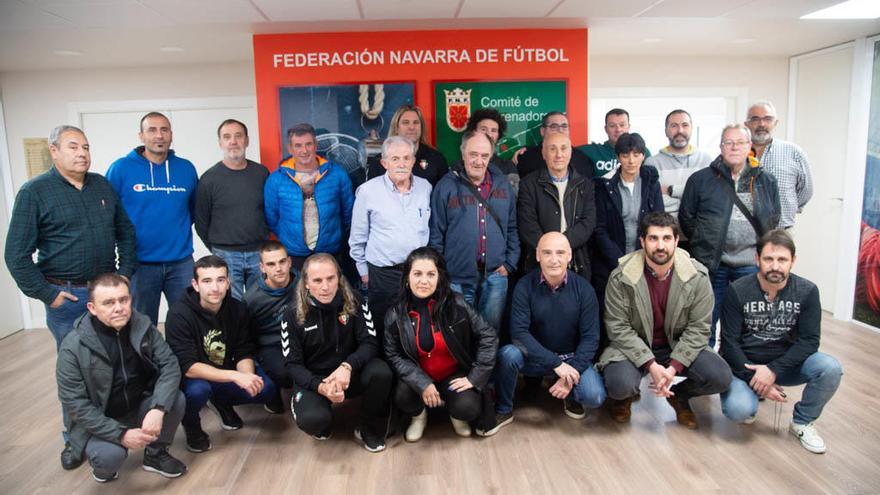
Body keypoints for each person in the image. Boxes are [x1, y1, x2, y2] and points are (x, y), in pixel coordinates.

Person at [5, 124, 136, 470]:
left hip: (108, 294)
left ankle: (117, 427)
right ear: (54, 151)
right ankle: (75, 441)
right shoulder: (35, 192)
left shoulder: (101, 185)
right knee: (76, 371)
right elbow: (16, 254)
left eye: (86, 147)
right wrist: (48, 294)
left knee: (117, 361)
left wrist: (124, 274)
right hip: (69, 298)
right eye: (73, 147)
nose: (82, 153)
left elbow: (125, 231)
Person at [599, 213, 732, 428]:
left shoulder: (698, 276)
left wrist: (672, 369)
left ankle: (679, 395)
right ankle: (625, 398)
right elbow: (617, 327)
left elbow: (699, 329)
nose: (660, 246)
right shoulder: (620, 276)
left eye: (666, 238)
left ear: (676, 241)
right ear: (642, 241)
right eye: (653, 238)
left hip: (676, 345)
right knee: (619, 384)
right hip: (635, 346)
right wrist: (651, 364)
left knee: (720, 377)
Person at [56, 274, 186, 483]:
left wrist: (158, 408)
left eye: (123, 300)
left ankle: (155, 454)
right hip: (102, 418)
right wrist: (121, 434)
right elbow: (76, 405)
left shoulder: (143, 327)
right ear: (92, 308)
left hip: (138, 404)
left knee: (176, 398)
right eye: (108, 303)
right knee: (109, 457)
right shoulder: (72, 346)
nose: (119, 307)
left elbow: (169, 366)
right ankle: (104, 469)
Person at [720, 230, 842, 454]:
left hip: (786, 366)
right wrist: (756, 379)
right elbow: (728, 345)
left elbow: (809, 342)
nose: (775, 266)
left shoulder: (807, 291)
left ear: (793, 261)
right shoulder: (737, 290)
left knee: (830, 368)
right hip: (747, 366)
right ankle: (752, 394)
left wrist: (773, 371)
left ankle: (802, 422)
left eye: (782, 260)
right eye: (768, 259)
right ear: (757, 259)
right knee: (739, 410)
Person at [165, 255, 280, 453]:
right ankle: (192, 425)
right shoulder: (179, 314)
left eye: (220, 280)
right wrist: (236, 376)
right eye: (207, 281)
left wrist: (247, 376)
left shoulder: (237, 309)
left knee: (266, 389)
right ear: (195, 284)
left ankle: (221, 402)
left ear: (228, 282)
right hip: (194, 378)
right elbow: (188, 367)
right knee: (198, 392)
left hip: (224, 372)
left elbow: (244, 349)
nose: (215, 287)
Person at [679, 124, 781, 346]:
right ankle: (707, 373)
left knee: (744, 323)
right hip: (713, 264)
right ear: (721, 147)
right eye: (729, 142)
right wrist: (703, 242)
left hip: (750, 264)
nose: (734, 147)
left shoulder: (765, 181)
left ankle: (737, 371)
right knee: (704, 322)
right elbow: (687, 218)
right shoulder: (701, 180)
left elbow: (773, 218)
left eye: (740, 142)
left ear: (749, 146)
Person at [384, 247, 499, 440]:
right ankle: (419, 417)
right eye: (417, 274)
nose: (423, 281)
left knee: (468, 407)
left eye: (431, 274)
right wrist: (422, 382)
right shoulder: (395, 314)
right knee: (402, 394)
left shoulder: (458, 304)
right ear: (407, 278)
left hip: (452, 377)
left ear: (440, 278)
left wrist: (474, 377)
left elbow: (488, 336)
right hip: (418, 377)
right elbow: (393, 354)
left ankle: (456, 416)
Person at [283, 253, 392, 452]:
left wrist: (347, 366)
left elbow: (369, 343)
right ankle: (315, 414)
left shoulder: (355, 300)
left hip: (349, 372)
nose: (325, 287)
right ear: (306, 283)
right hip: (315, 379)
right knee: (314, 421)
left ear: (338, 278)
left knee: (381, 372)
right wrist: (321, 386)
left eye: (330, 278)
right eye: (317, 280)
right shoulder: (291, 314)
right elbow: (292, 365)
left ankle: (366, 427)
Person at [495, 233, 605, 427]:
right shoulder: (524, 286)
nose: (554, 260)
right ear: (537, 255)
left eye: (560, 253)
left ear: (569, 255)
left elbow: (590, 338)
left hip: (570, 359)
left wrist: (570, 374)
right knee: (508, 354)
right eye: (547, 253)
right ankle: (503, 409)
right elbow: (519, 334)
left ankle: (570, 394)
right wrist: (555, 364)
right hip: (535, 359)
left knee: (594, 396)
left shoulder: (584, 289)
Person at [106, 112, 199, 326]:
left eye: (164, 130)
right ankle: (145, 361)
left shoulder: (185, 168)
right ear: (141, 136)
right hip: (140, 265)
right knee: (141, 325)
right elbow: (108, 214)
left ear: (171, 135)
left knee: (188, 322)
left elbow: (193, 210)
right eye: (152, 130)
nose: (159, 135)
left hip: (181, 263)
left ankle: (183, 361)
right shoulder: (121, 169)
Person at [429, 130, 519, 332]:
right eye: (473, 154)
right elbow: (436, 233)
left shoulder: (503, 184)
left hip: (496, 277)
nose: (478, 161)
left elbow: (512, 227)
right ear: (463, 153)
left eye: (484, 155)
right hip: (456, 279)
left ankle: (487, 366)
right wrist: (442, 272)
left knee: (490, 334)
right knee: (459, 333)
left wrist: (510, 263)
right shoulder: (445, 186)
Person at [350, 135, 432, 344]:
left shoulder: (426, 188)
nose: (402, 164)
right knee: (385, 331)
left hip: (417, 275)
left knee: (417, 331)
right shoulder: (368, 191)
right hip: (382, 275)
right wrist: (364, 273)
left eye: (407, 158)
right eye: (395, 159)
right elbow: (357, 238)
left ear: (414, 161)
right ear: (384, 163)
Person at [264, 123, 354, 272]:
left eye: (308, 144)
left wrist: (333, 235)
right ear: (290, 148)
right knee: (299, 295)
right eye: (298, 145)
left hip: (330, 251)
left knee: (329, 293)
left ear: (315, 145)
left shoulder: (337, 174)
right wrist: (291, 237)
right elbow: (271, 218)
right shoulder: (276, 179)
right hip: (294, 254)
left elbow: (348, 213)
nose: (304, 150)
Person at [195, 119, 269, 300]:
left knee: (259, 303)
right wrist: (217, 248)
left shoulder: (261, 173)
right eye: (227, 137)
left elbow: (270, 212)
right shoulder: (209, 179)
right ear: (220, 142)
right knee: (230, 307)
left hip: (258, 252)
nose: (233, 141)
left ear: (247, 140)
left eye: (238, 136)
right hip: (225, 254)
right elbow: (201, 221)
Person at [592, 132, 664, 306]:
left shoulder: (651, 181)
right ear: (618, 157)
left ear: (643, 156)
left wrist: (645, 258)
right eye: (625, 155)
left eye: (636, 154)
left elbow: (659, 221)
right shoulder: (604, 185)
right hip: (612, 263)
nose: (631, 160)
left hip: (646, 261)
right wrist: (620, 261)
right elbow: (599, 229)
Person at [517, 132, 596, 279]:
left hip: (576, 263)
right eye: (552, 149)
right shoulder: (528, 184)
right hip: (539, 264)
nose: (559, 154)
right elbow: (527, 224)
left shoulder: (585, 185)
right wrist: (549, 252)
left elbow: (588, 222)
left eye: (564, 148)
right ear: (543, 153)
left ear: (571, 152)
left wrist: (561, 249)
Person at [744, 101, 813, 229]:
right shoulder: (736, 153)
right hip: (744, 232)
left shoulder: (794, 152)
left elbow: (806, 190)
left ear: (775, 123)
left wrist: (787, 208)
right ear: (746, 124)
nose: (761, 124)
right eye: (755, 119)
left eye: (768, 119)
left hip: (780, 230)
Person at [243, 240, 296, 390]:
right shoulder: (251, 299)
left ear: (289, 262)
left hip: (301, 337)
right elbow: (247, 336)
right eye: (271, 264)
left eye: (282, 262)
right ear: (262, 268)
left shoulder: (303, 282)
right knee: (284, 374)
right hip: (272, 345)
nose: (278, 268)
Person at [644, 109, 713, 216]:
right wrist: (693, 198)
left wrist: (672, 190)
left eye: (685, 125)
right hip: (665, 228)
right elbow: (653, 201)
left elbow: (709, 198)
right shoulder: (652, 163)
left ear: (691, 129)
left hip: (698, 228)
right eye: (674, 126)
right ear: (666, 131)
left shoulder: (705, 161)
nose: (680, 130)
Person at [367, 104, 449, 186]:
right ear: (396, 128)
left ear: (421, 128)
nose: (411, 127)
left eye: (416, 122)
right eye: (406, 123)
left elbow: (444, 195)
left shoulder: (437, 159)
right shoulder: (378, 163)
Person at [514, 111, 591, 179]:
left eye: (564, 126)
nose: (560, 130)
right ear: (542, 131)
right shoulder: (526, 158)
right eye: (554, 126)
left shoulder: (581, 158)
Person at [578, 108, 651, 178]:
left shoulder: (641, 151)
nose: (618, 129)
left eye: (622, 125)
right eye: (612, 126)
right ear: (606, 129)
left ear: (628, 127)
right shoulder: (593, 151)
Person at [463, 108, 520, 193]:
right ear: (473, 132)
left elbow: (512, 201)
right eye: (483, 129)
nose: (489, 134)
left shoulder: (508, 168)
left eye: (494, 130)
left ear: (498, 136)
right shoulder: (460, 167)